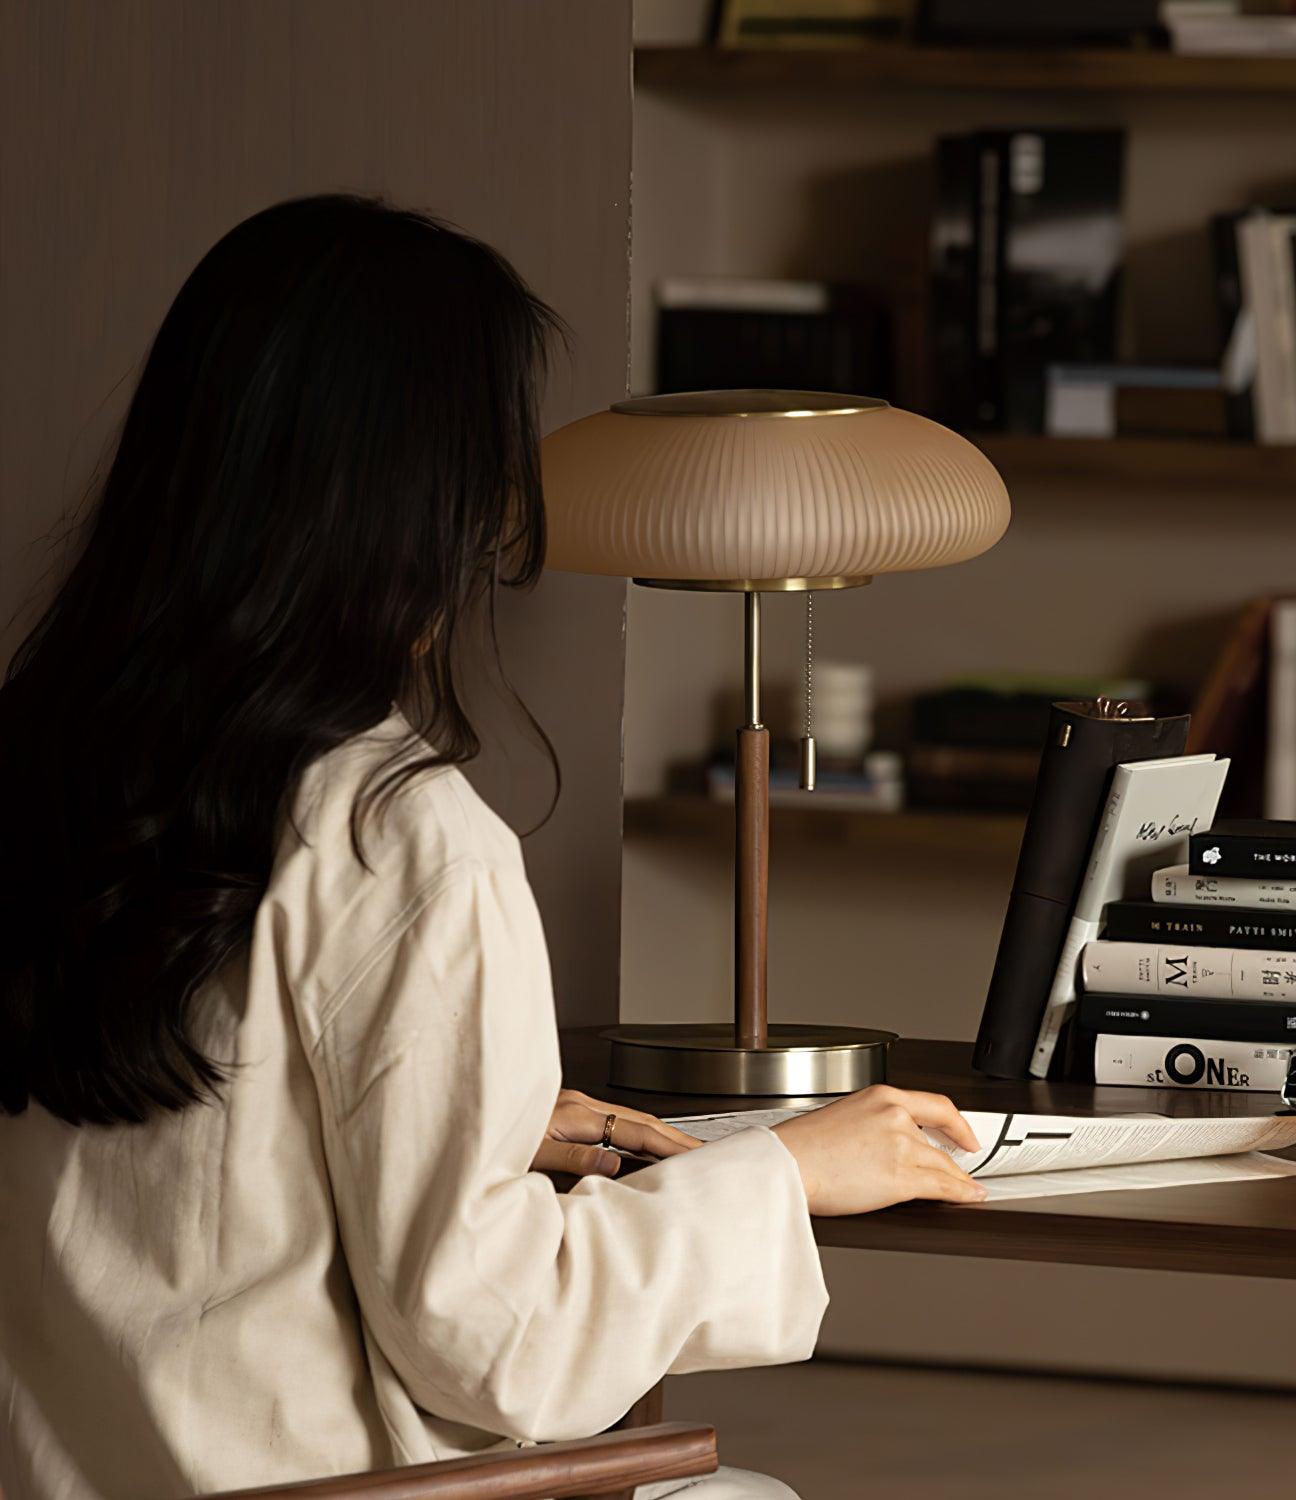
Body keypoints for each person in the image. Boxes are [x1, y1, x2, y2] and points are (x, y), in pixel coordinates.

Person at [0, 196, 985, 1500]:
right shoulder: (401, 834)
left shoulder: (45, 766)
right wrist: (785, 1173)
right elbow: (498, 1341)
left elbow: (176, 1171)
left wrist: (467, 1130)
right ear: (434, 497)